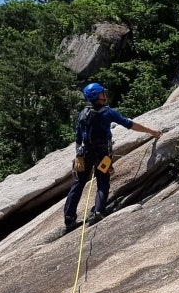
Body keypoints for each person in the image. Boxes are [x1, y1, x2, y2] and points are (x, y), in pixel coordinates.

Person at [63, 82, 162, 231]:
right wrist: (151, 131)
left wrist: (78, 155)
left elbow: (78, 138)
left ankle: (69, 219)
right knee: (102, 182)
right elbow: (129, 124)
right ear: (97, 96)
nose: (105, 95)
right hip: (103, 155)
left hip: (85, 154)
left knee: (78, 185)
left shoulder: (83, 113)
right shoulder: (108, 113)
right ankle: (98, 212)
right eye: (102, 93)